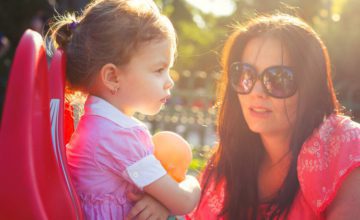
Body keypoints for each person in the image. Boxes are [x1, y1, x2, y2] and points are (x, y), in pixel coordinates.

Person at [130, 13, 360, 220]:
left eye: (278, 78)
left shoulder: (345, 147)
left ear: (310, 87)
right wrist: (164, 204)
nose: (256, 92)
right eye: (245, 75)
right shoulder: (226, 167)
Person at [47, 0, 200, 219]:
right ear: (112, 77)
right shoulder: (118, 136)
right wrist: (193, 181)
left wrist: (160, 202)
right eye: (159, 70)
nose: (169, 82)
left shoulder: (99, 125)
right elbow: (184, 201)